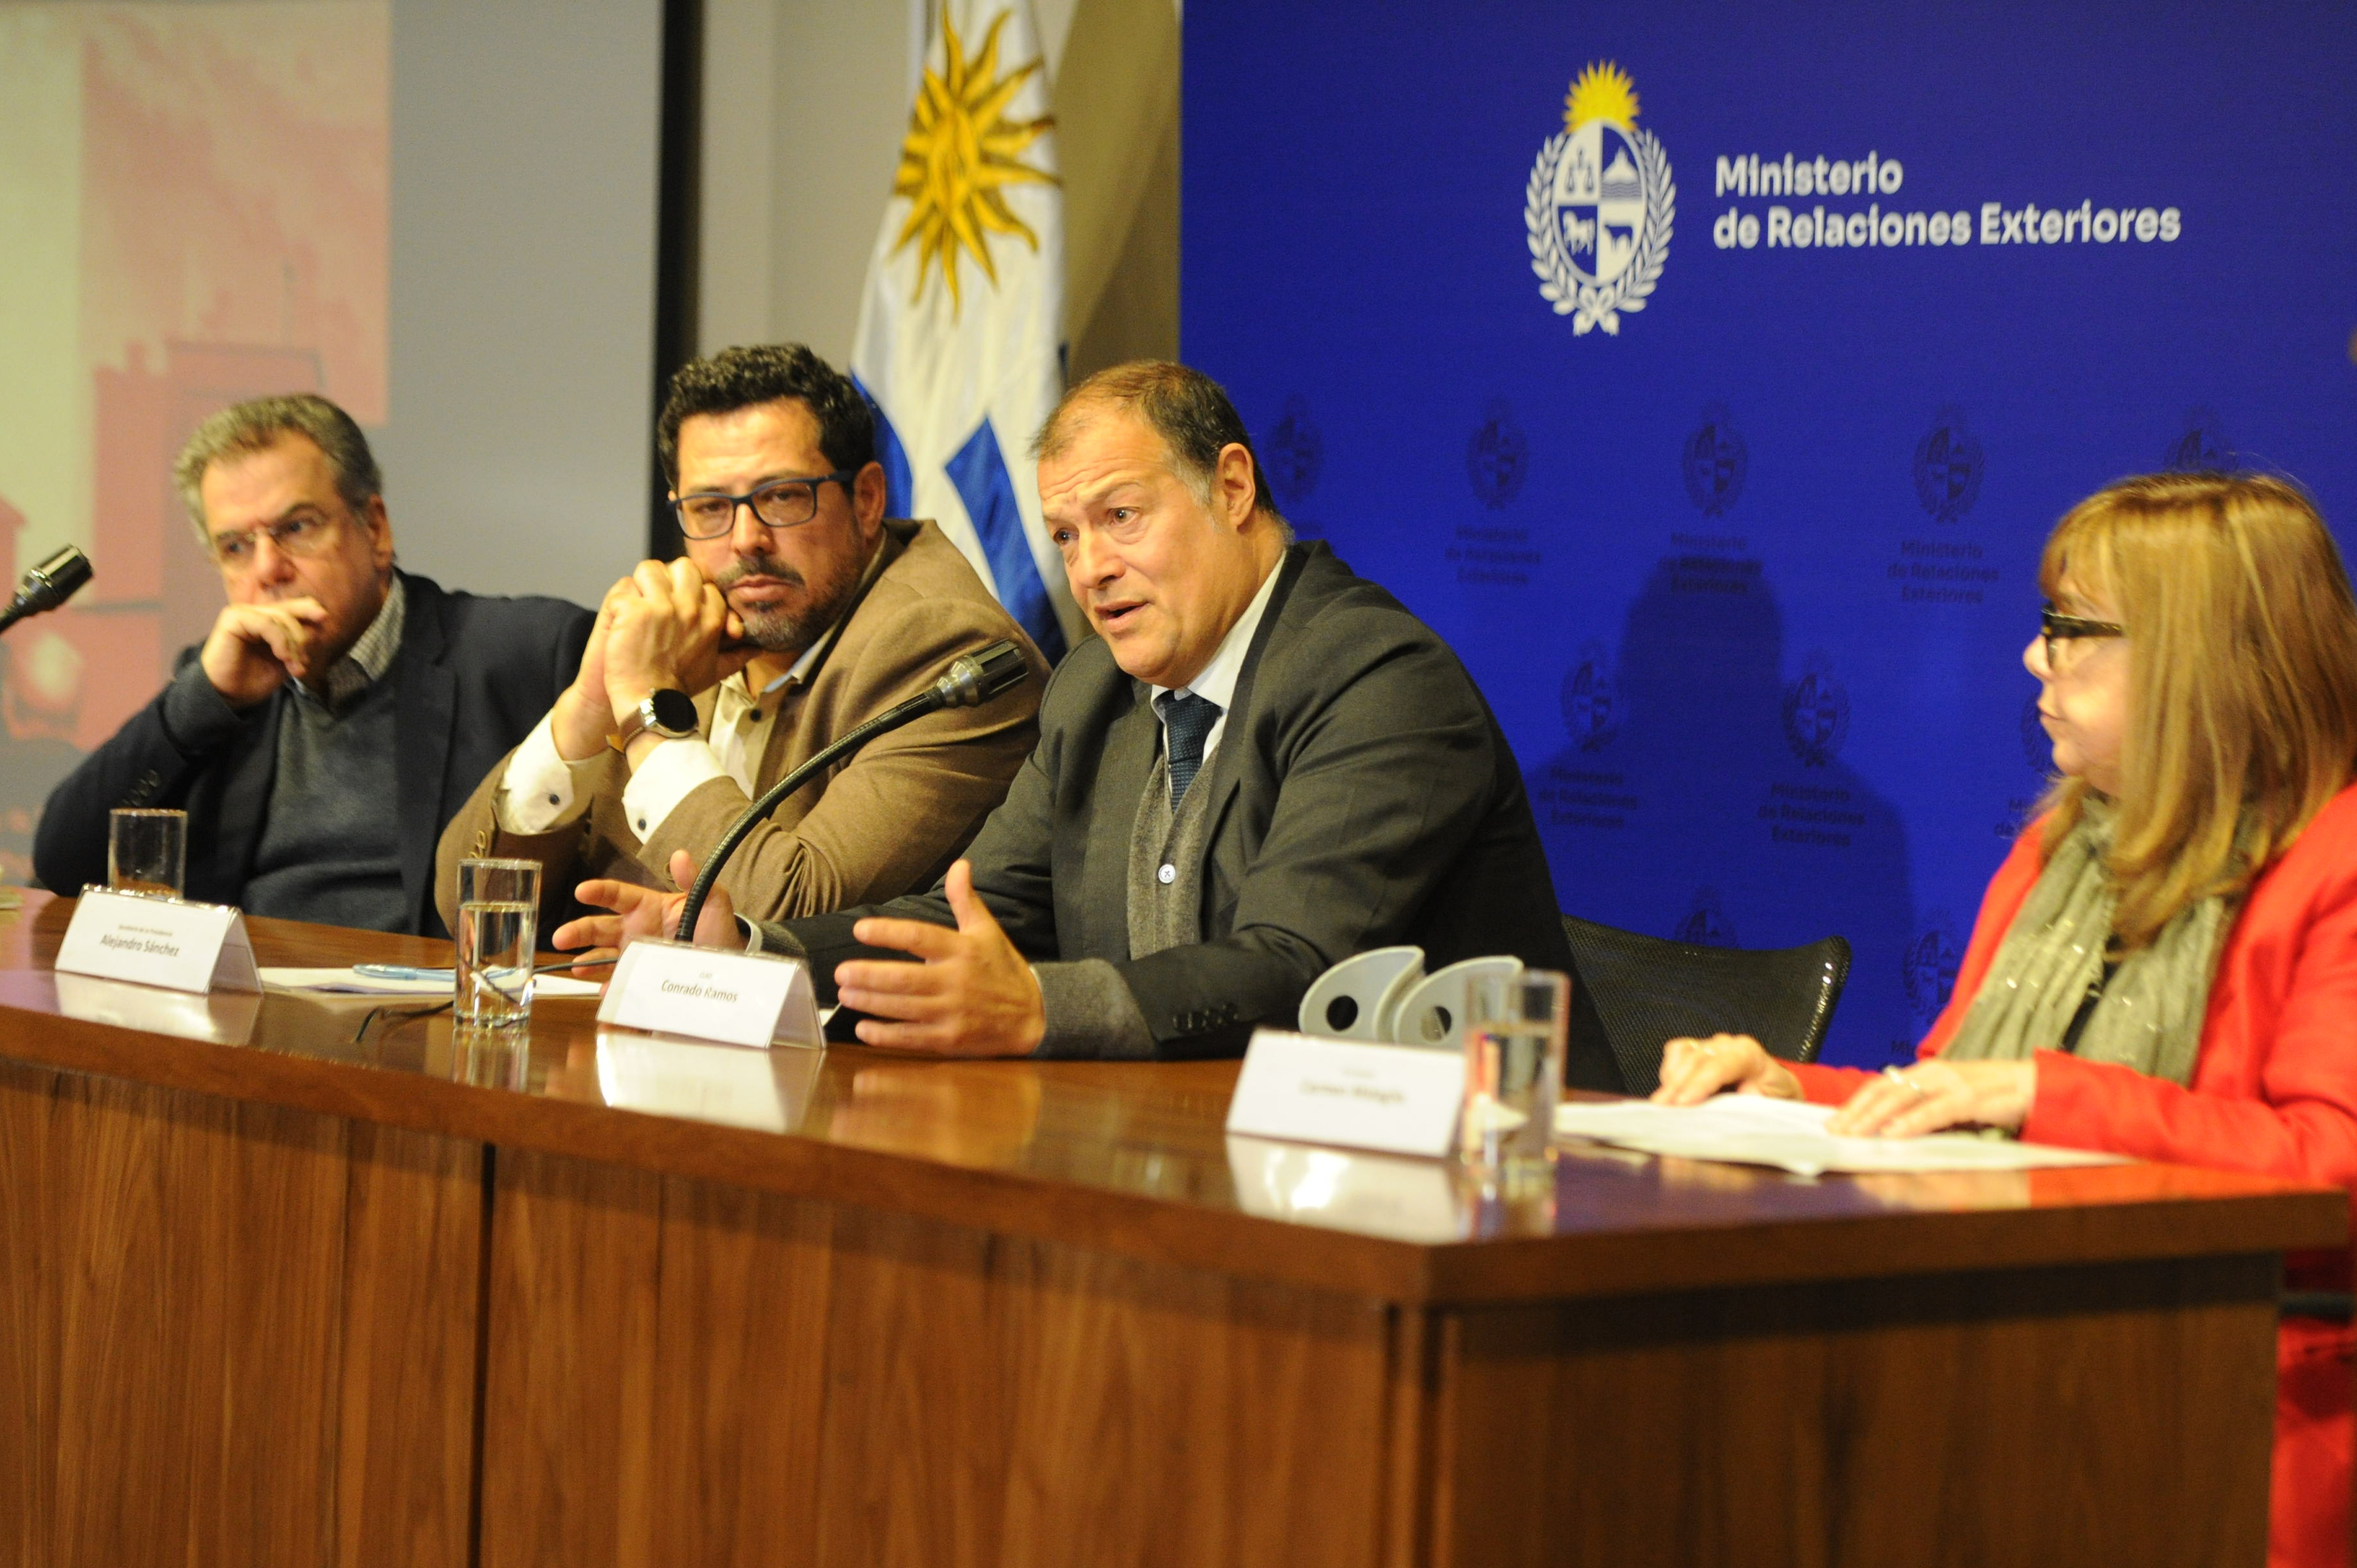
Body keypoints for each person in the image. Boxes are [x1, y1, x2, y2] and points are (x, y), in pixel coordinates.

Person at [1652, 471, 2357, 1568]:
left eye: (2071, 630)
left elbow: (2329, 1173)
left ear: (2194, 657)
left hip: (2241, 1410)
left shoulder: (2334, 866)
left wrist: (2043, 1094)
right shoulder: (2058, 848)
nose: (2034, 658)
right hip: (2015, 1366)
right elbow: (1957, 1095)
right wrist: (1793, 1089)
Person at [556, 360, 1617, 1080]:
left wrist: (1038, 1010)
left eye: (1120, 517)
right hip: (1204, 1156)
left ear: (1230, 487)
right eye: (1064, 535)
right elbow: (978, 914)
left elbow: (1296, 966)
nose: (1091, 568)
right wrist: (753, 948)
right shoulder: (1093, 691)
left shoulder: (1375, 679)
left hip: (1488, 1189)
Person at [433, 343, 1046, 936]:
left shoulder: (946, 648)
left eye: (781, 497)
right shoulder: (688, 634)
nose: (745, 539)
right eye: (710, 507)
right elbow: (469, 906)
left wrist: (650, 712)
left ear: (866, 500)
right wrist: (588, 707)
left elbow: (791, 917)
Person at [34, 395, 591, 936]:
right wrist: (199, 702)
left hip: (427, 996)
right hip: (242, 995)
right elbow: (63, 865)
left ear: (374, 529)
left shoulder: (531, 654)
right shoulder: (216, 690)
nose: (268, 569)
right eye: (236, 548)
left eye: (297, 528)